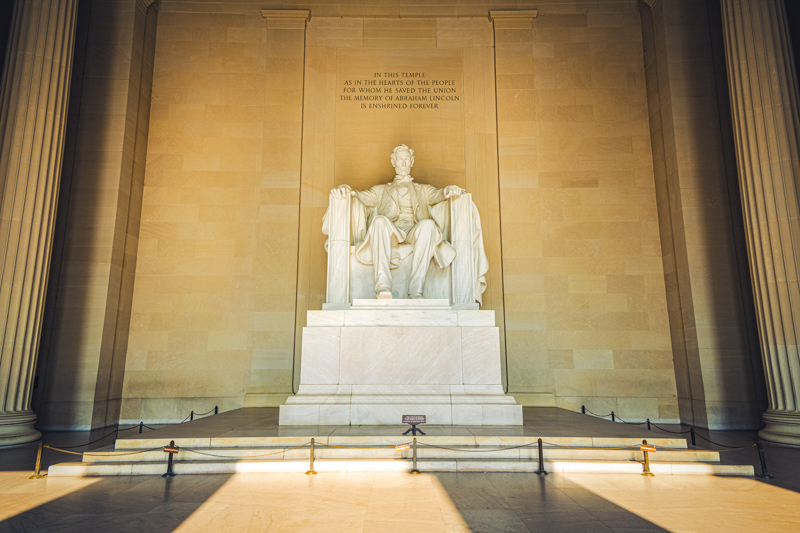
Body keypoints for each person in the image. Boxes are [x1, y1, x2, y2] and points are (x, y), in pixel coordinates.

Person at [330, 144, 463, 298]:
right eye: (400, 160)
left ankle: (416, 290)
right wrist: (345, 188)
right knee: (379, 221)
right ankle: (383, 285)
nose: (404, 163)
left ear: (412, 161)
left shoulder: (423, 189)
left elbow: (438, 194)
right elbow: (360, 195)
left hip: (414, 232)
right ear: (394, 162)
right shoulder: (380, 190)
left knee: (428, 225)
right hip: (392, 231)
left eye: (407, 159)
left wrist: (449, 190)